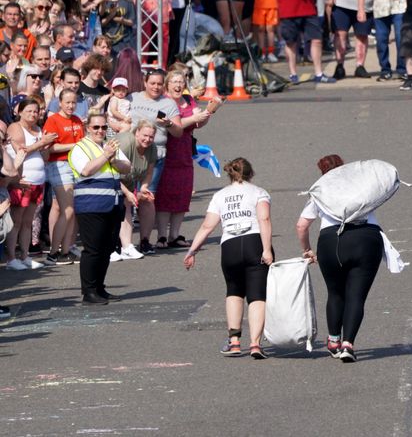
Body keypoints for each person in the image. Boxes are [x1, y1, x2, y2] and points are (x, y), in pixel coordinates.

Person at [295, 155, 390, 363]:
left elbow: (302, 225)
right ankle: (348, 344)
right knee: (356, 295)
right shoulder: (362, 186)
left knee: (335, 292)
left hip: (331, 241)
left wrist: (307, 249)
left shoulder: (320, 191)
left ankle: (333, 340)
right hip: (366, 238)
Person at [184, 157, 273, 359]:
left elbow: (207, 226)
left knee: (234, 291)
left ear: (230, 174)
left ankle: (234, 342)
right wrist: (267, 249)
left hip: (230, 246)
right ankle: (255, 344)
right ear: (251, 173)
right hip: (254, 243)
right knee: (257, 295)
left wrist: (192, 251)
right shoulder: (258, 192)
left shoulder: (220, 195)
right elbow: (264, 219)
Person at [68, 112, 131, 305]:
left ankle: (99, 288)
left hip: (112, 204)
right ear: (88, 128)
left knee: (107, 249)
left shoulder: (110, 146)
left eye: (104, 127)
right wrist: (106, 156)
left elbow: (127, 167)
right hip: (91, 206)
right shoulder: (80, 148)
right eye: (96, 127)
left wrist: (113, 160)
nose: (100, 131)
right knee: (93, 249)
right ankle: (88, 292)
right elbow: (86, 170)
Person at [154, 69, 211, 250]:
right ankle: (162, 236)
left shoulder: (189, 100)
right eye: (174, 82)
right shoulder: (163, 102)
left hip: (185, 151)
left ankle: (174, 235)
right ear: (167, 85)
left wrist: (206, 115)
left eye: (181, 82)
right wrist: (193, 118)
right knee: (164, 195)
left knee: (183, 193)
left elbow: (197, 124)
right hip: (166, 151)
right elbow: (171, 124)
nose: (178, 85)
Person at [129, 69, 182, 252]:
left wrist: (168, 123)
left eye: (160, 84)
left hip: (155, 155)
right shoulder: (133, 98)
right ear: (145, 82)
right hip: (130, 153)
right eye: (152, 83)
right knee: (126, 197)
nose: (156, 87)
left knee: (147, 197)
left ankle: (144, 240)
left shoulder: (168, 103)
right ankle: (124, 242)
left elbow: (178, 131)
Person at [4, 99, 57, 271]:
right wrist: (41, 142)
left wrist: (46, 145)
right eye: (29, 111)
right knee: (16, 221)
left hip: (38, 181)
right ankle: (11, 259)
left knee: (28, 222)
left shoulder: (39, 130)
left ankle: (25, 256)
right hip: (22, 181)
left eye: (36, 111)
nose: (33, 114)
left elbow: (45, 157)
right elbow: (22, 151)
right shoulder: (15, 127)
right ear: (20, 112)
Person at [42, 89, 85, 265]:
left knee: (71, 210)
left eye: (73, 102)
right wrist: (74, 145)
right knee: (67, 210)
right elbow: (49, 147)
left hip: (75, 166)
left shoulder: (77, 120)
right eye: (67, 102)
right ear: (59, 103)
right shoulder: (53, 120)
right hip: (59, 165)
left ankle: (66, 251)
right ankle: (53, 253)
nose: (71, 106)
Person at [112, 120, 157, 263]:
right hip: (109, 180)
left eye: (151, 137)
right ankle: (121, 246)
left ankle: (141, 242)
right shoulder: (126, 144)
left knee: (147, 201)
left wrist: (144, 188)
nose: (147, 139)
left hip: (128, 181)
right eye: (145, 135)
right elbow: (111, 173)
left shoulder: (152, 148)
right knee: (125, 202)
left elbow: (149, 173)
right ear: (137, 133)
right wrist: (127, 193)